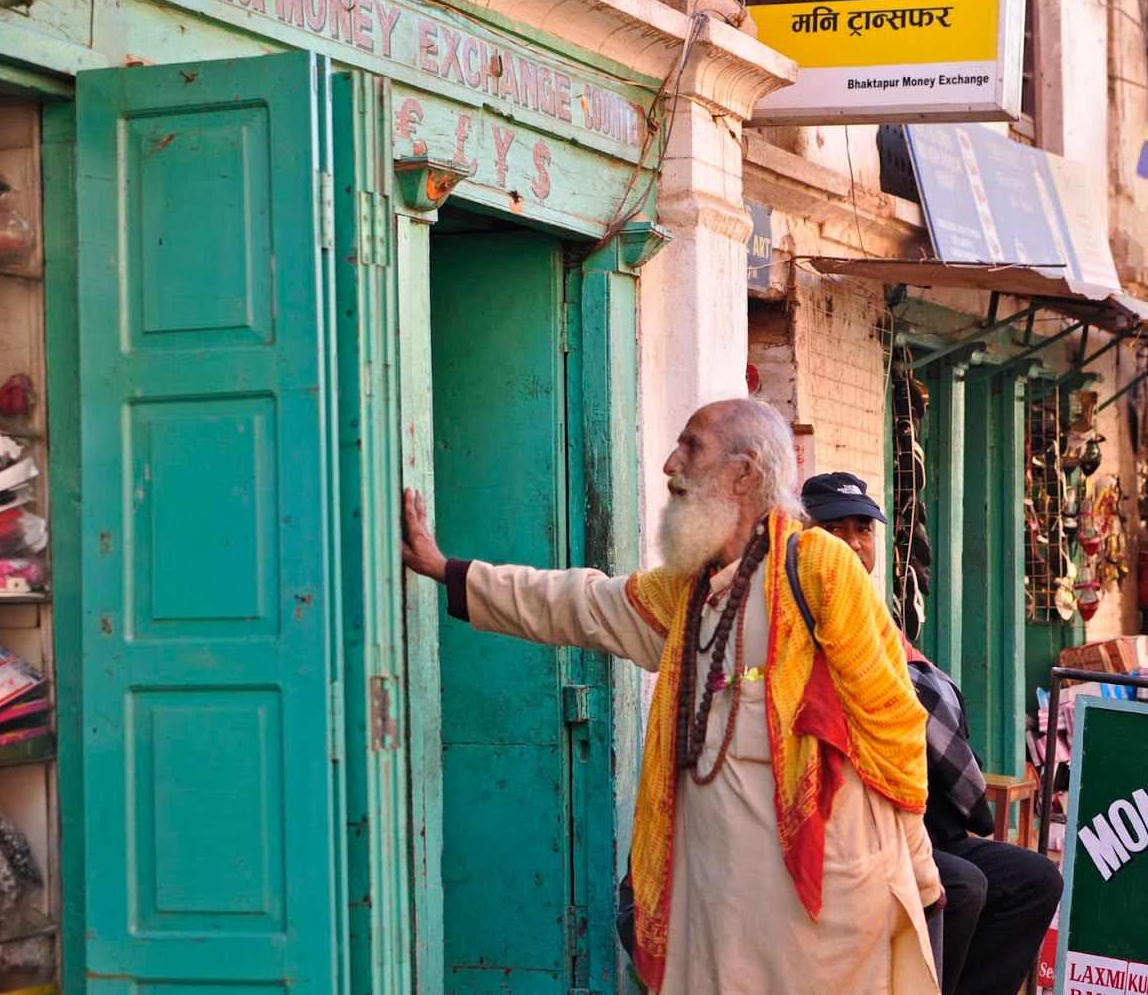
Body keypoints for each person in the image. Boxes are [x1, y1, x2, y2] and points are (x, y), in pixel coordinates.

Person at [401, 399, 943, 995]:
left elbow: (891, 723)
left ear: (743, 472)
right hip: (713, 911)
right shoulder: (688, 593)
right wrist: (448, 570)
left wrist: (920, 877)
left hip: (820, 916)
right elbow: (579, 604)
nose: (668, 464)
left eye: (691, 447)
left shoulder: (818, 568)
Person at [802, 471, 1064, 995]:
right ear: (807, 540)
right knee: (962, 887)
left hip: (924, 825)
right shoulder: (804, 621)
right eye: (835, 530)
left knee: (1036, 879)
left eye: (863, 529)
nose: (853, 545)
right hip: (860, 832)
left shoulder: (879, 619)